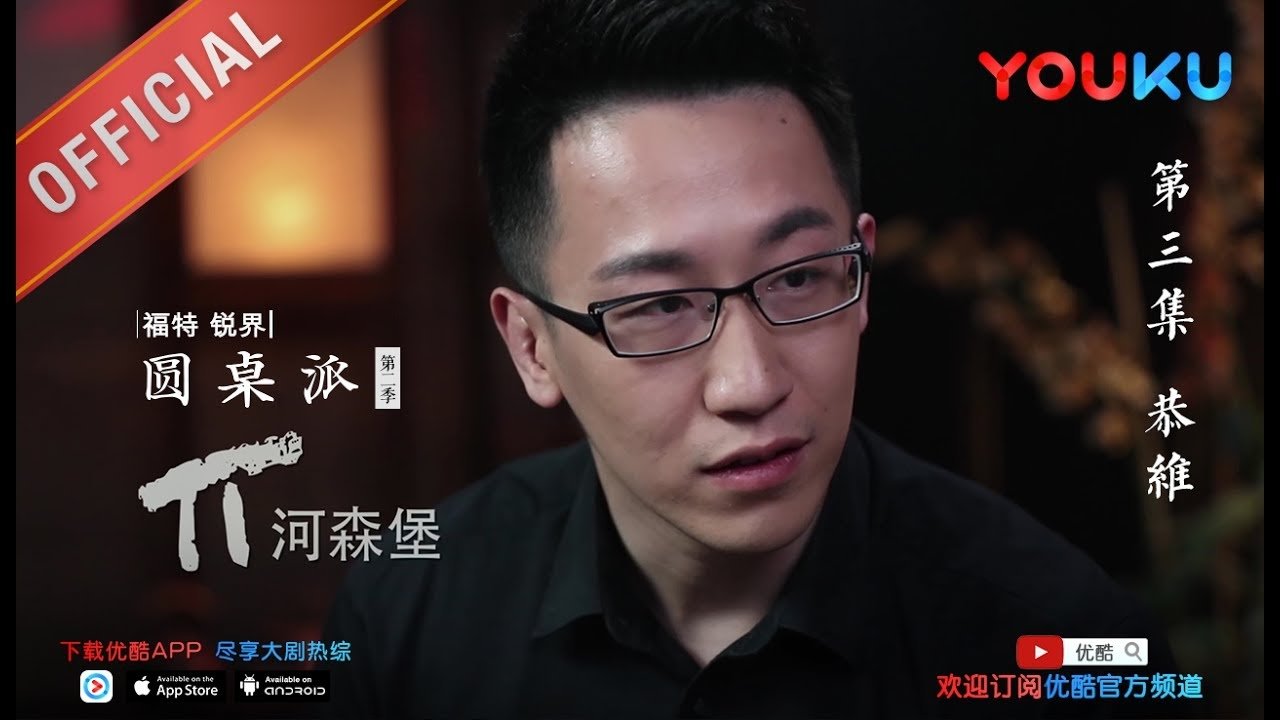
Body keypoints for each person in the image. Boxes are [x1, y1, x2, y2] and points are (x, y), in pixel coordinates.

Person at [324, 1, 1183, 717]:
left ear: (862, 272)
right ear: (531, 346)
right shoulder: (409, 615)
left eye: (800, 277)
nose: (752, 384)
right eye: (658, 305)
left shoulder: (1060, 640)